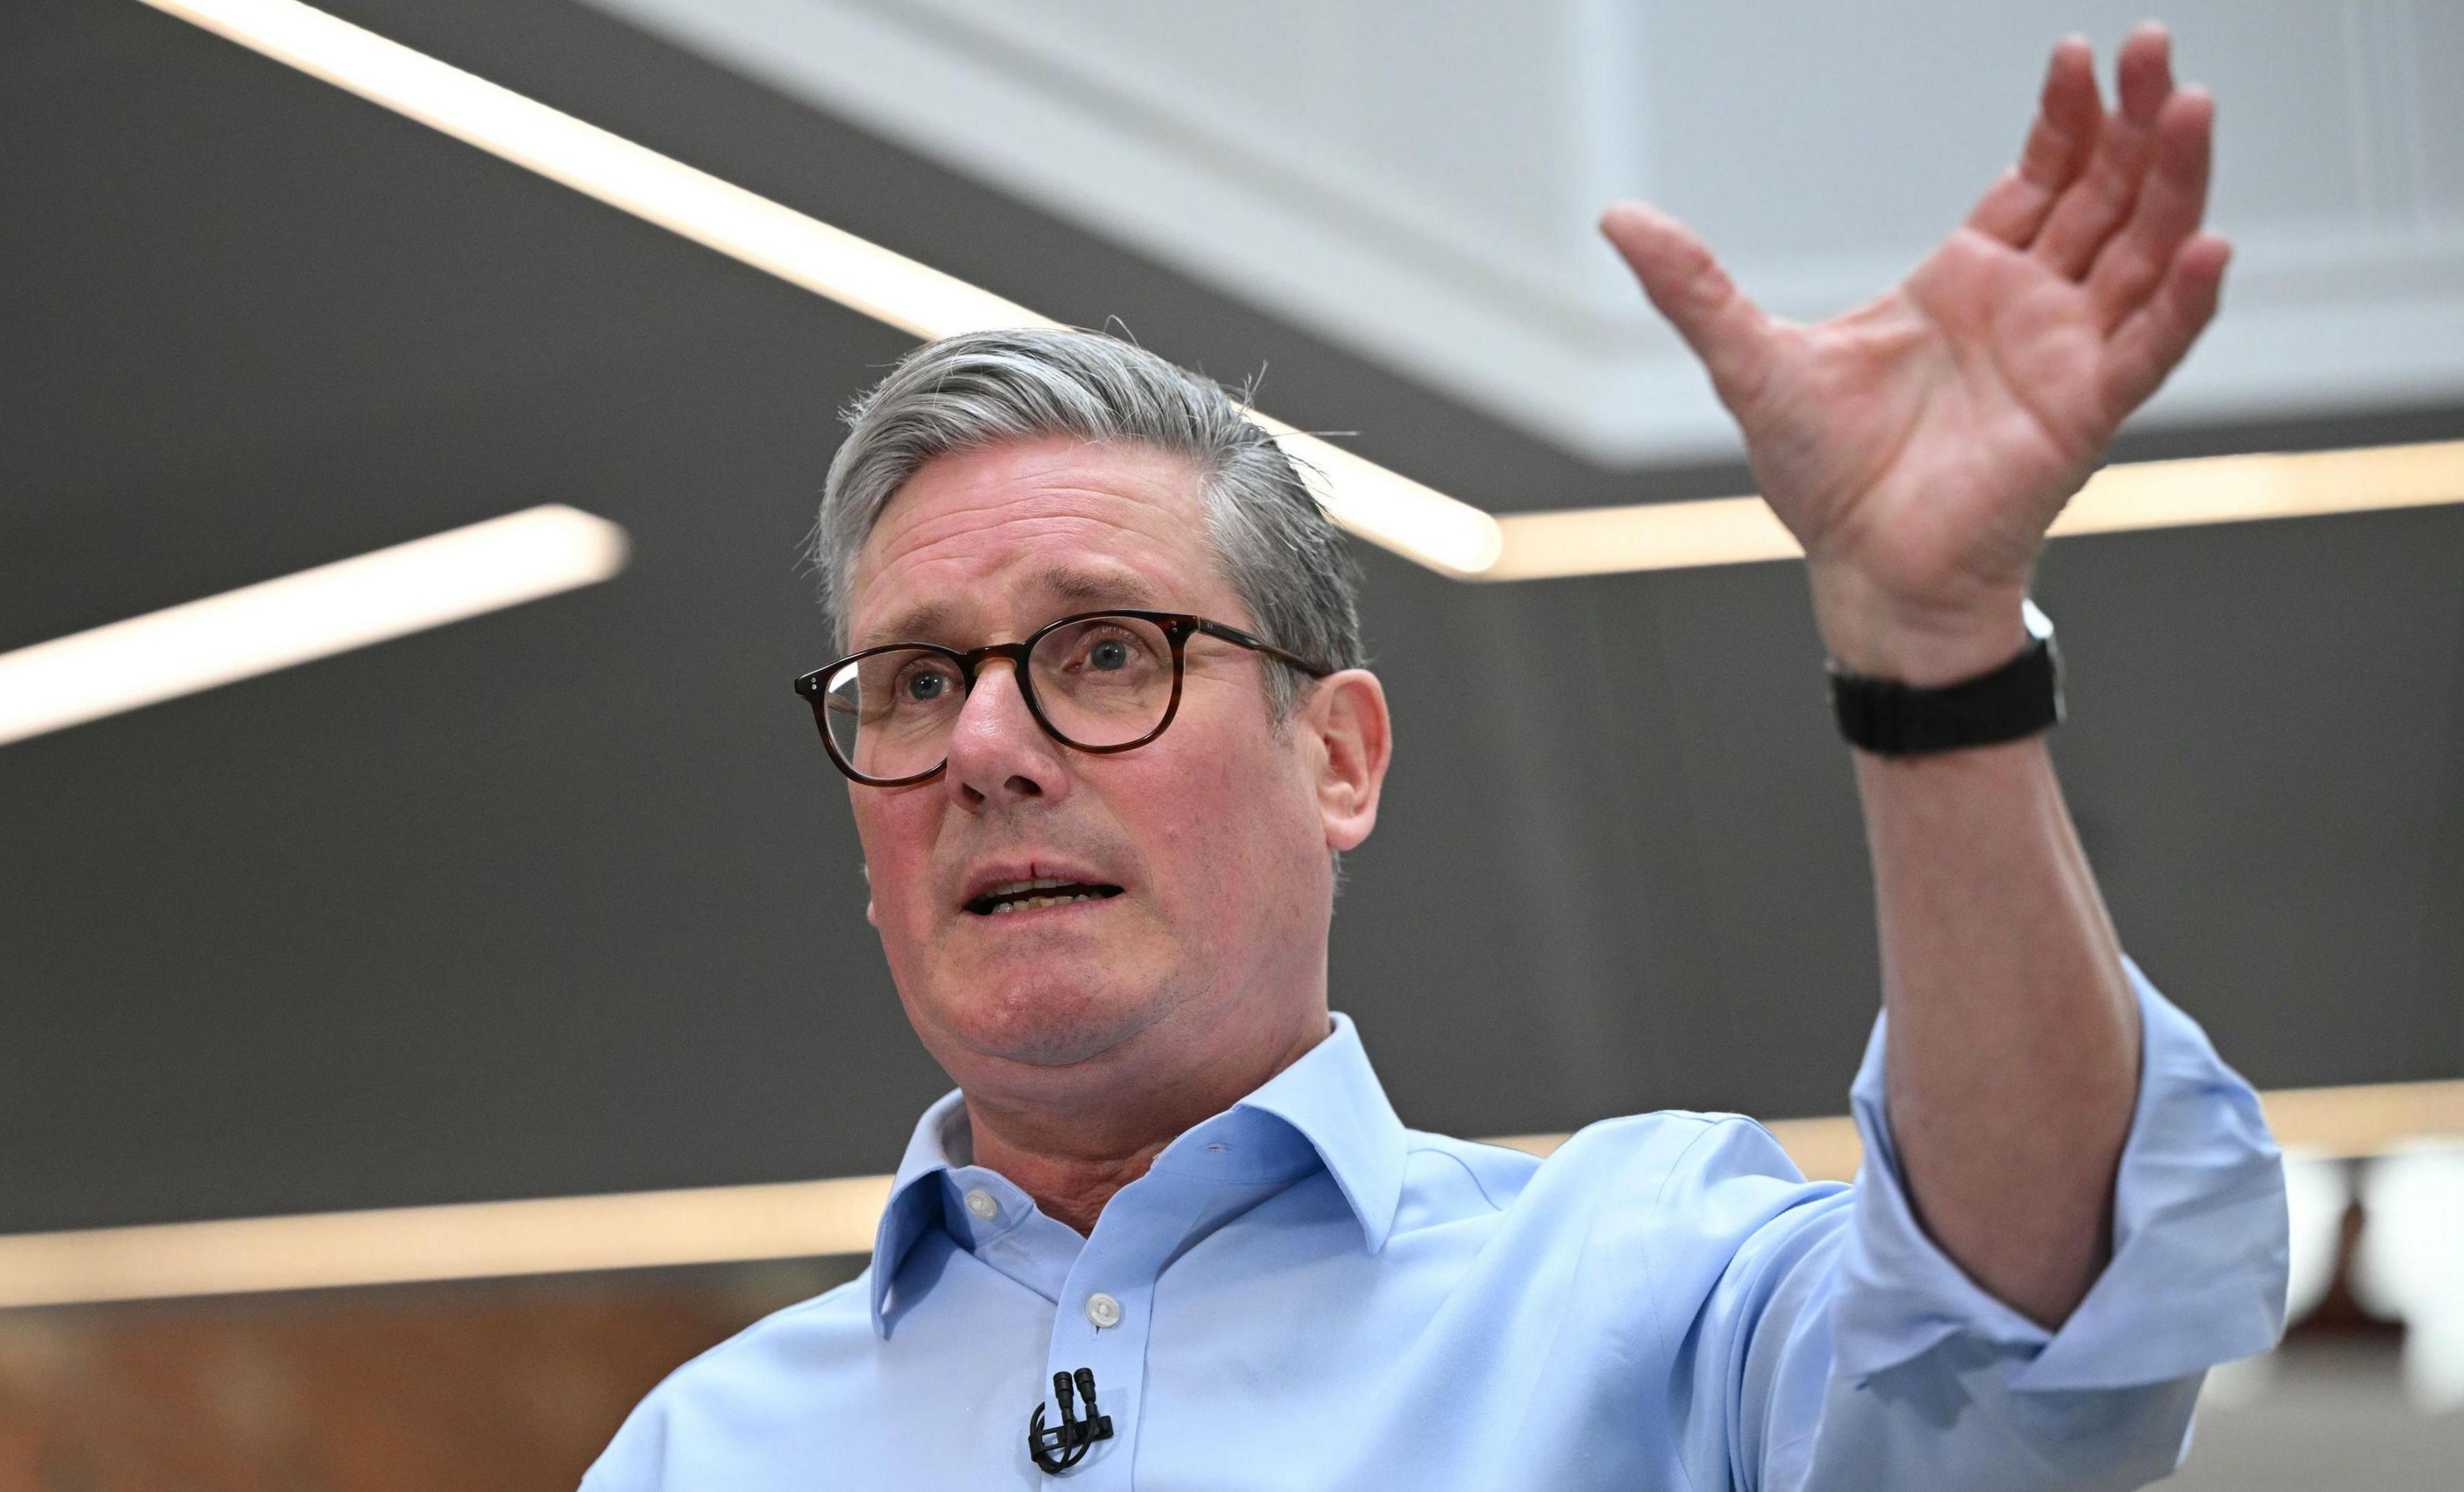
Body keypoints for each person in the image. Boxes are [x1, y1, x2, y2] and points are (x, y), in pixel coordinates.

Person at [585, 23, 2286, 1489]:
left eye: (1105, 652)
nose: (986, 745)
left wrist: (1934, 650)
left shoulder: (1645, 1293)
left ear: (1338, 757)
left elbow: (2035, 1351)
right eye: (913, 680)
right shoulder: (699, 1452)